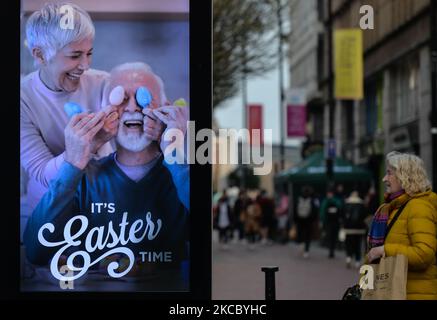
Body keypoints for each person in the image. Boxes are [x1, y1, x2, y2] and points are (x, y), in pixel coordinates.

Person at [23, 62, 190, 290]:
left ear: (167, 109)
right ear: (102, 110)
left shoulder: (182, 175)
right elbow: (36, 250)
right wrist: (74, 163)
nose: (132, 108)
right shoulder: (83, 177)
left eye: (143, 98)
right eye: (120, 99)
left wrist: (175, 151)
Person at [21, 2, 118, 210]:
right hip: (48, 209)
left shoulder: (103, 83)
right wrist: (89, 146)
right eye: (75, 55)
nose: (86, 65)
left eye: (89, 53)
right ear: (39, 55)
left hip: (102, 203)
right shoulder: (21, 98)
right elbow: (41, 172)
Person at [366, 151, 437, 300]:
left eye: (389, 173)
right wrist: (366, 288)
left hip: (414, 294)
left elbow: (424, 254)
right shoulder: (390, 208)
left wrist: (384, 250)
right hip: (393, 292)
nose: (384, 178)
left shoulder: (419, 207)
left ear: (405, 175)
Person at [342, 191, 367, 268]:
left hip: (348, 229)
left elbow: (342, 215)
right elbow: (364, 216)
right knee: (358, 244)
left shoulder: (346, 203)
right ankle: (357, 261)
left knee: (348, 244)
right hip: (359, 229)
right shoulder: (361, 204)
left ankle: (348, 258)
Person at [294, 186, 319, 258]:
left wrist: (295, 219)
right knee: (308, 236)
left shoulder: (298, 199)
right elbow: (315, 211)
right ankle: (306, 251)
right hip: (308, 221)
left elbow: (295, 210)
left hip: (300, 220)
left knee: (300, 234)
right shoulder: (312, 200)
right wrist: (313, 219)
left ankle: (301, 246)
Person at [320, 188, 342, 258]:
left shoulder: (326, 201)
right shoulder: (336, 201)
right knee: (331, 236)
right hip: (332, 222)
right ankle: (331, 250)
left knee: (332, 236)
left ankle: (331, 250)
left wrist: (322, 220)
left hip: (330, 222)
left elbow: (322, 212)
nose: (329, 195)